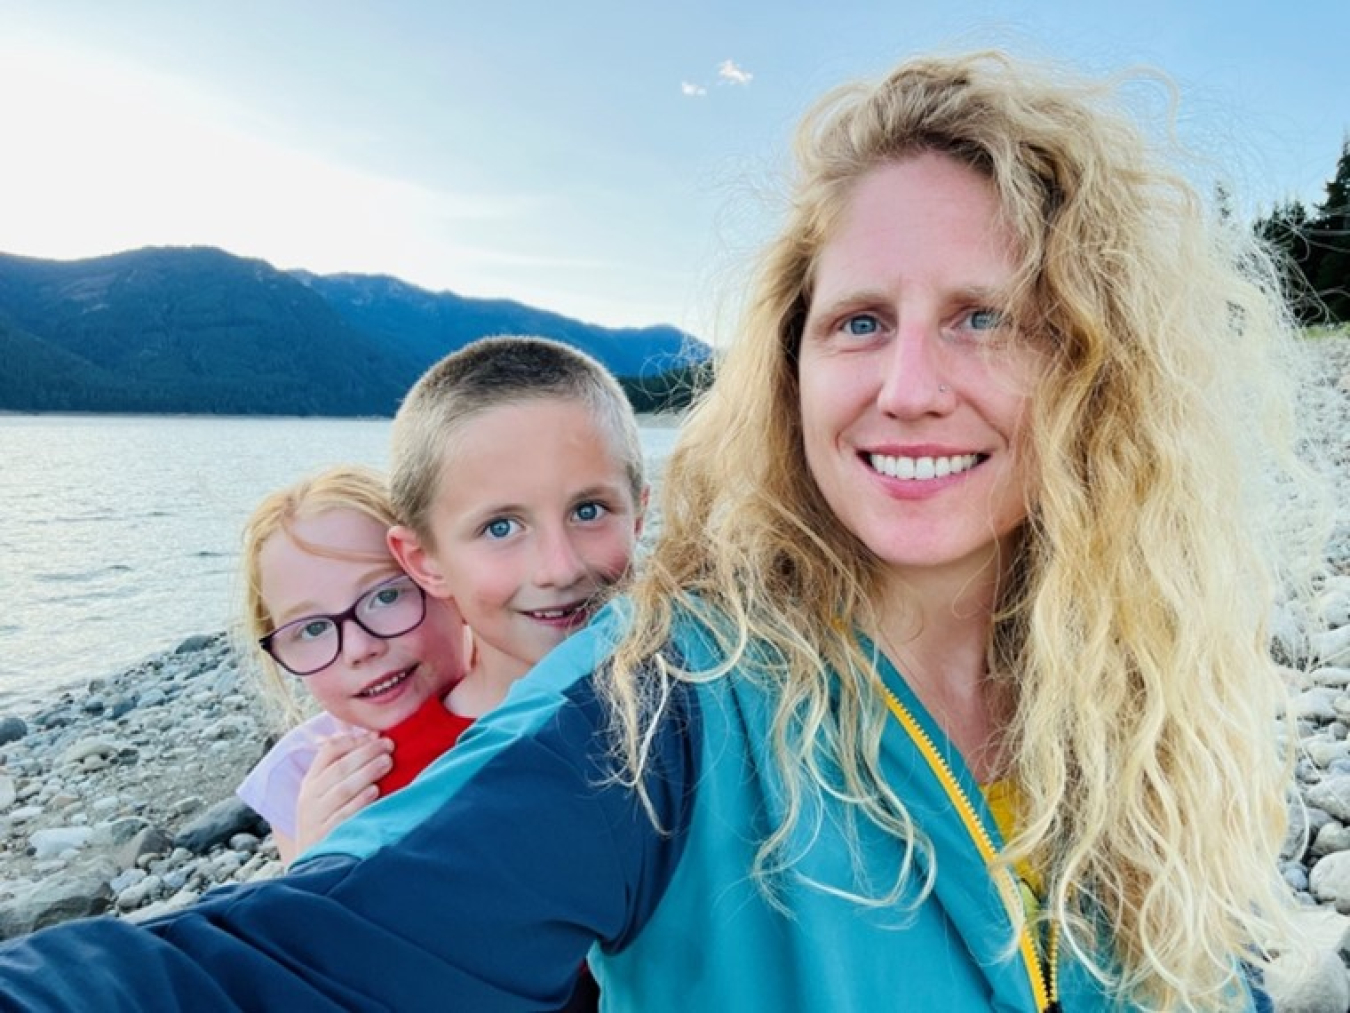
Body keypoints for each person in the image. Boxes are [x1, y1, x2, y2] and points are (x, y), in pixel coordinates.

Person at [0, 51, 1324, 1012]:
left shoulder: (1130, 686)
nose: (907, 381)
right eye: (860, 319)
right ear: (790, 370)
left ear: (1091, 371)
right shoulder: (666, 703)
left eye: (985, 314)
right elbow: (290, 960)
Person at [234, 335, 646, 872]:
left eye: (385, 597)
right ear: (429, 561)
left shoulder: (697, 680)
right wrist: (325, 868)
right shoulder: (358, 780)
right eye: (310, 630)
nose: (559, 568)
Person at [234, 464, 473, 866]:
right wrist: (316, 856)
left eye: (385, 597)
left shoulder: (528, 689)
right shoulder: (299, 777)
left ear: (440, 574)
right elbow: (312, 922)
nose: (359, 648)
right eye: (311, 630)